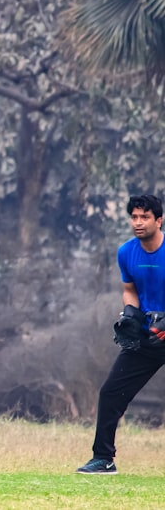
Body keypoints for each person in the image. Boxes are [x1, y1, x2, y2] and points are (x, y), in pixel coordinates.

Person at [77, 193, 165, 474]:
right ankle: (103, 459)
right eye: (134, 217)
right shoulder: (126, 252)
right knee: (111, 393)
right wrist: (130, 314)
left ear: (159, 220)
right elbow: (130, 290)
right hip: (146, 338)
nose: (138, 222)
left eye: (145, 217)